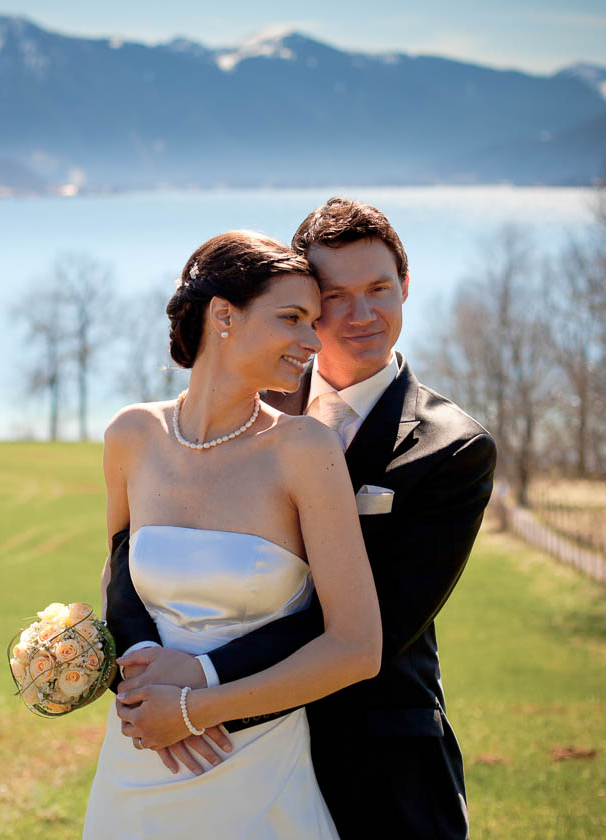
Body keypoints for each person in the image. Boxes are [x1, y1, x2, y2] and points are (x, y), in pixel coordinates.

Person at [107, 198, 497, 839]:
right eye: (335, 297)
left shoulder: (452, 448)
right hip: (203, 753)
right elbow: (134, 553)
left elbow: (379, 625)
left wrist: (201, 690)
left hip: (374, 754)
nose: (361, 314)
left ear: (405, 286)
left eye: (378, 289)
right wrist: (148, 670)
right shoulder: (252, 394)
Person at [82, 230, 384, 838]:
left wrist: (193, 709)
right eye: (292, 319)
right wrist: (138, 685)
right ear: (224, 316)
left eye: (313, 323)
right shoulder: (131, 436)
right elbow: (121, 586)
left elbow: (356, 647)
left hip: (253, 761)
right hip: (138, 761)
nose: (312, 341)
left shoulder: (304, 449)